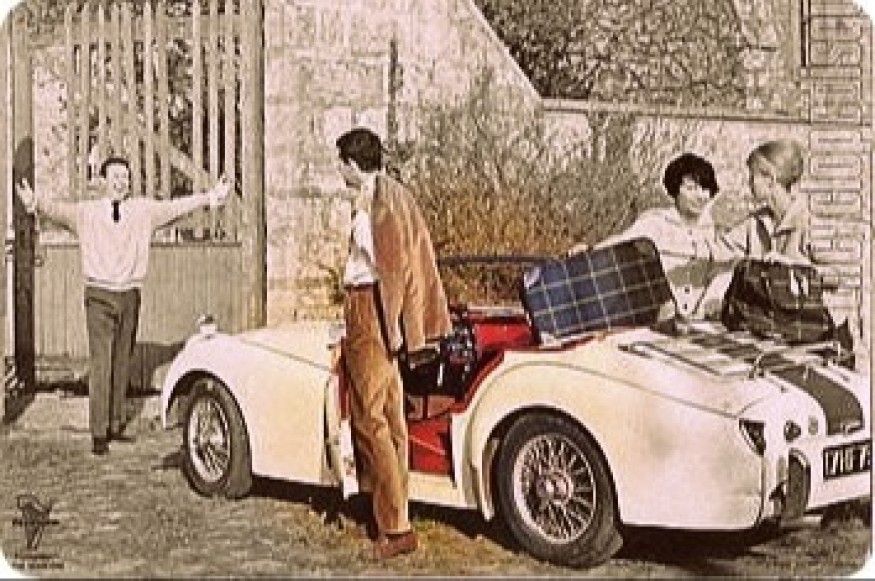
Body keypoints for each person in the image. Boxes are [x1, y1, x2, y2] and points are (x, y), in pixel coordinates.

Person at [15, 156, 231, 456]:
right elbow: (56, 210)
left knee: (121, 363)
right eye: (115, 177)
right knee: (101, 363)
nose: (121, 182)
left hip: (130, 295)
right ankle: (98, 433)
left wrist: (211, 197)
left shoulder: (143, 211)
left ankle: (115, 425)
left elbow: (176, 207)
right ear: (103, 181)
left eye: (125, 177)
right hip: (99, 296)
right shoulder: (86, 213)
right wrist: (34, 201)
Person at [336, 127, 452, 560]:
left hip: (367, 310)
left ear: (351, 164)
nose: (339, 171)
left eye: (341, 163)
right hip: (379, 316)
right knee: (390, 417)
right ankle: (397, 512)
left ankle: (394, 527)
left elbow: (386, 265)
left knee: (371, 419)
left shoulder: (374, 204)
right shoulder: (395, 193)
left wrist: (384, 322)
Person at [570, 152, 735, 321]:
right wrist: (590, 250)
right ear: (675, 190)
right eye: (691, 188)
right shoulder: (656, 221)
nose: (700, 196)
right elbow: (622, 242)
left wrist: (705, 309)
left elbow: (722, 275)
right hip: (659, 318)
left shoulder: (717, 233)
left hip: (701, 320)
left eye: (705, 189)